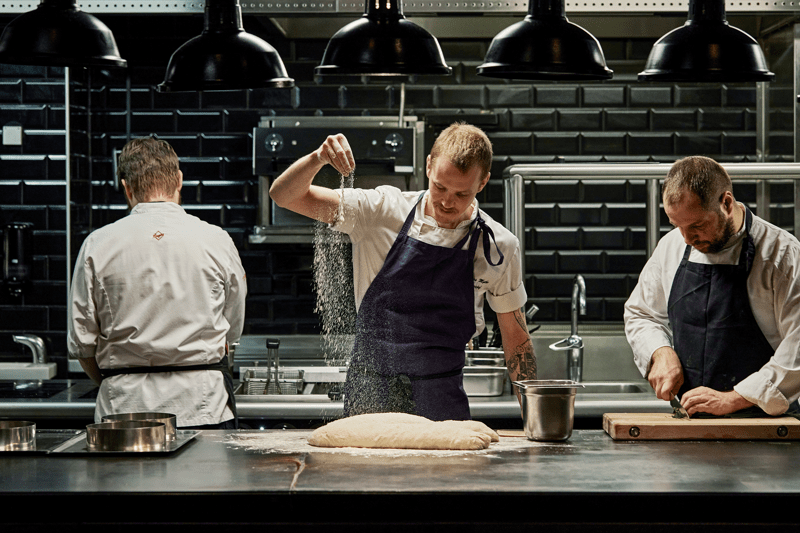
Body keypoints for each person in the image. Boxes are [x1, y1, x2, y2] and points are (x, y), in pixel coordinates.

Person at [269, 122, 535, 421]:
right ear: (429, 166)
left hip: (441, 400)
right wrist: (317, 158)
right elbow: (284, 196)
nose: (447, 202)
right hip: (370, 396)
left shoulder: (498, 246)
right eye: (440, 187)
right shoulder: (380, 210)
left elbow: (516, 339)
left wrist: (533, 423)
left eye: (462, 194)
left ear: (482, 183)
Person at [68, 136, 247, 429]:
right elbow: (232, 329)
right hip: (203, 406)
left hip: (122, 411)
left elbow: (82, 345)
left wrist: (123, 379)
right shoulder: (217, 240)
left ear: (126, 188)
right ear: (179, 180)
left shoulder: (96, 245)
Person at [624, 155, 800, 417]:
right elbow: (642, 314)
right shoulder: (672, 246)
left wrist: (735, 398)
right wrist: (659, 352)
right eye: (677, 226)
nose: (687, 238)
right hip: (691, 421)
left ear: (726, 203)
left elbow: (797, 345)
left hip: (765, 425)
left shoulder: (781, 255)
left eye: (697, 225)